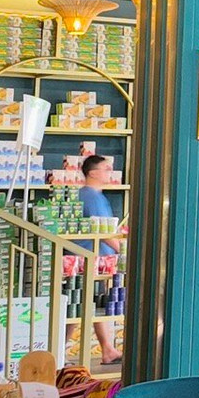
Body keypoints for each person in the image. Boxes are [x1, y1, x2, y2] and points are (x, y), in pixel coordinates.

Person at [71, 155, 123, 365]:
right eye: (106, 168)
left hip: (93, 260)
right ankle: (106, 349)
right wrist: (123, 249)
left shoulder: (94, 196)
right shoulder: (91, 197)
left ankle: (107, 349)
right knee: (84, 304)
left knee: (85, 304)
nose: (110, 172)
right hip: (89, 260)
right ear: (92, 173)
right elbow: (103, 231)